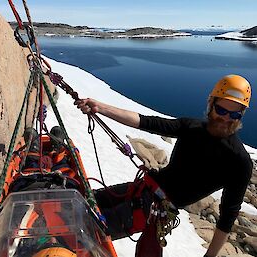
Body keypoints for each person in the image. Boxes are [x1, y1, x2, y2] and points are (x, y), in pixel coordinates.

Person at [75, 74, 253, 257]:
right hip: (143, 189)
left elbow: (227, 216)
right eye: (221, 110)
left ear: (241, 115)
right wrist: (101, 108)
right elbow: (147, 122)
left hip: (153, 211)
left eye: (234, 114)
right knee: (83, 202)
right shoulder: (191, 127)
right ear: (211, 104)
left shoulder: (239, 162)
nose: (226, 118)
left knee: (86, 229)